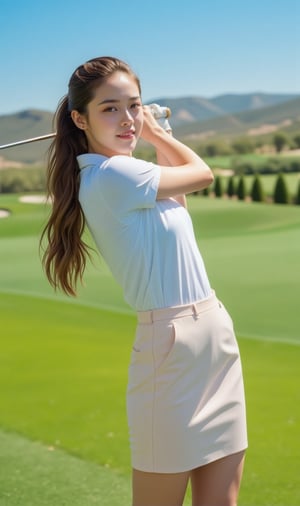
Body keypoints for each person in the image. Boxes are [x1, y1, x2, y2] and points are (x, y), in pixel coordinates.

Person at [41, 56, 247, 506]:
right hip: (171, 346)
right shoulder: (112, 174)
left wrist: (158, 140)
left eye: (133, 106)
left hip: (214, 335)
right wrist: (157, 134)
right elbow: (204, 175)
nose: (128, 119)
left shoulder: (134, 178)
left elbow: (181, 213)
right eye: (109, 108)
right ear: (80, 119)